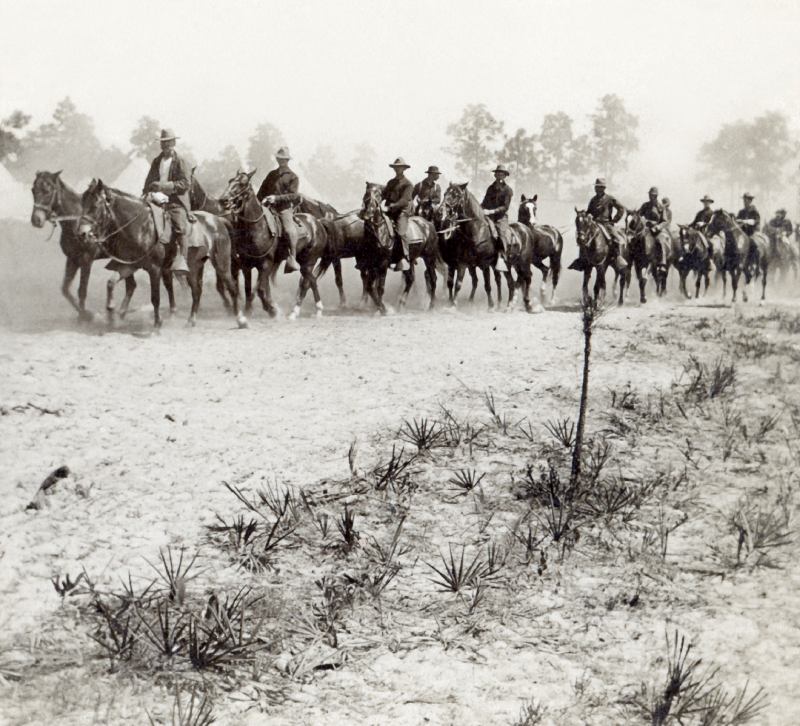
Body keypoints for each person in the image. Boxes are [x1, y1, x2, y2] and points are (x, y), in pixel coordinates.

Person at [142, 129, 193, 273]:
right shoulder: (156, 161)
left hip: (175, 200)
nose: (166, 146)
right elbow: (149, 181)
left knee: (179, 225)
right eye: (163, 143)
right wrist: (147, 191)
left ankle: (182, 260)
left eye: (169, 142)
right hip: (156, 199)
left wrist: (164, 186)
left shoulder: (181, 161)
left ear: (174, 143)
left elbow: (185, 183)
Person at [257, 146, 301, 272]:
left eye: (283, 159)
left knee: (288, 230)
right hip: (267, 208)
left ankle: (292, 258)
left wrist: (276, 198)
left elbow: (294, 195)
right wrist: (260, 201)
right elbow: (261, 192)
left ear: (287, 160)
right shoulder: (271, 174)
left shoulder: (293, 177)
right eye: (279, 158)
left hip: (284, 209)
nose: (281, 161)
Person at [586, 177, 626, 269]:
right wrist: (587, 215)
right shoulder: (593, 199)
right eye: (596, 187)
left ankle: (618, 257)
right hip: (594, 224)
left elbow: (621, 209)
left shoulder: (610, 198)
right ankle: (582, 259)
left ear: (604, 188)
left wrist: (614, 220)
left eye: (600, 187)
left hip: (606, 224)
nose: (597, 189)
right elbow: (589, 211)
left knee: (616, 238)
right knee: (583, 238)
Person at [382, 157, 414, 271]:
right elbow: (383, 195)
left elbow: (404, 200)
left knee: (400, 232)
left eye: (399, 167)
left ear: (404, 169)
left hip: (402, 212)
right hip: (389, 211)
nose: (397, 169)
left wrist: (391, 206)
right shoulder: (390, 182)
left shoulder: (408, 184)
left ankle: (404, 258)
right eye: (396, 167)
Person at [481, 164, 513, 272]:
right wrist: (480, 209)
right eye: (497, 173)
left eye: (502, 173)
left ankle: (502, 258)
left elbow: (505, 207)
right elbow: (484, 202)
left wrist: (492, 211)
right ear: (495, 175)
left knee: (501, 234)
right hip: (488, 217)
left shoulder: (508, 190)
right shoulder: (490, 188)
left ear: (505, 176)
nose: (499, 175)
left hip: (500, 217)